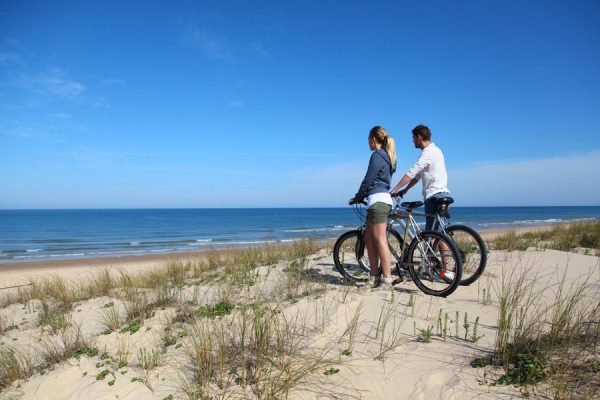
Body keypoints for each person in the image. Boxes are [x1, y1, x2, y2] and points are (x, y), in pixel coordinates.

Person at [390, 124, 454, 281]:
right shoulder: (436, 151)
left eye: (413, 138)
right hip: (440, 193)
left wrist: (396, 188)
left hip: (434, 196)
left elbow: (412, 172)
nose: (412, 141)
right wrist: (405, 191)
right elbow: (418, 176)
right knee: (437, 233)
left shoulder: (428, 152)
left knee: (435, 234)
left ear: (419, 137)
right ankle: (436, 268)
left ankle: (443, 269)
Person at [349, 126, 397, 289]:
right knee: (369, 238)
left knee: (380, 240)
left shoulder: (377, 155)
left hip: (378, 201)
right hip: (378, 200)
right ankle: (374, 277)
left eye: (368, 139)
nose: (368, 143)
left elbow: (368, 180)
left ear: (374, 139)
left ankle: (387, 279)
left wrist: (357, 197)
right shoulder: (388, 156)